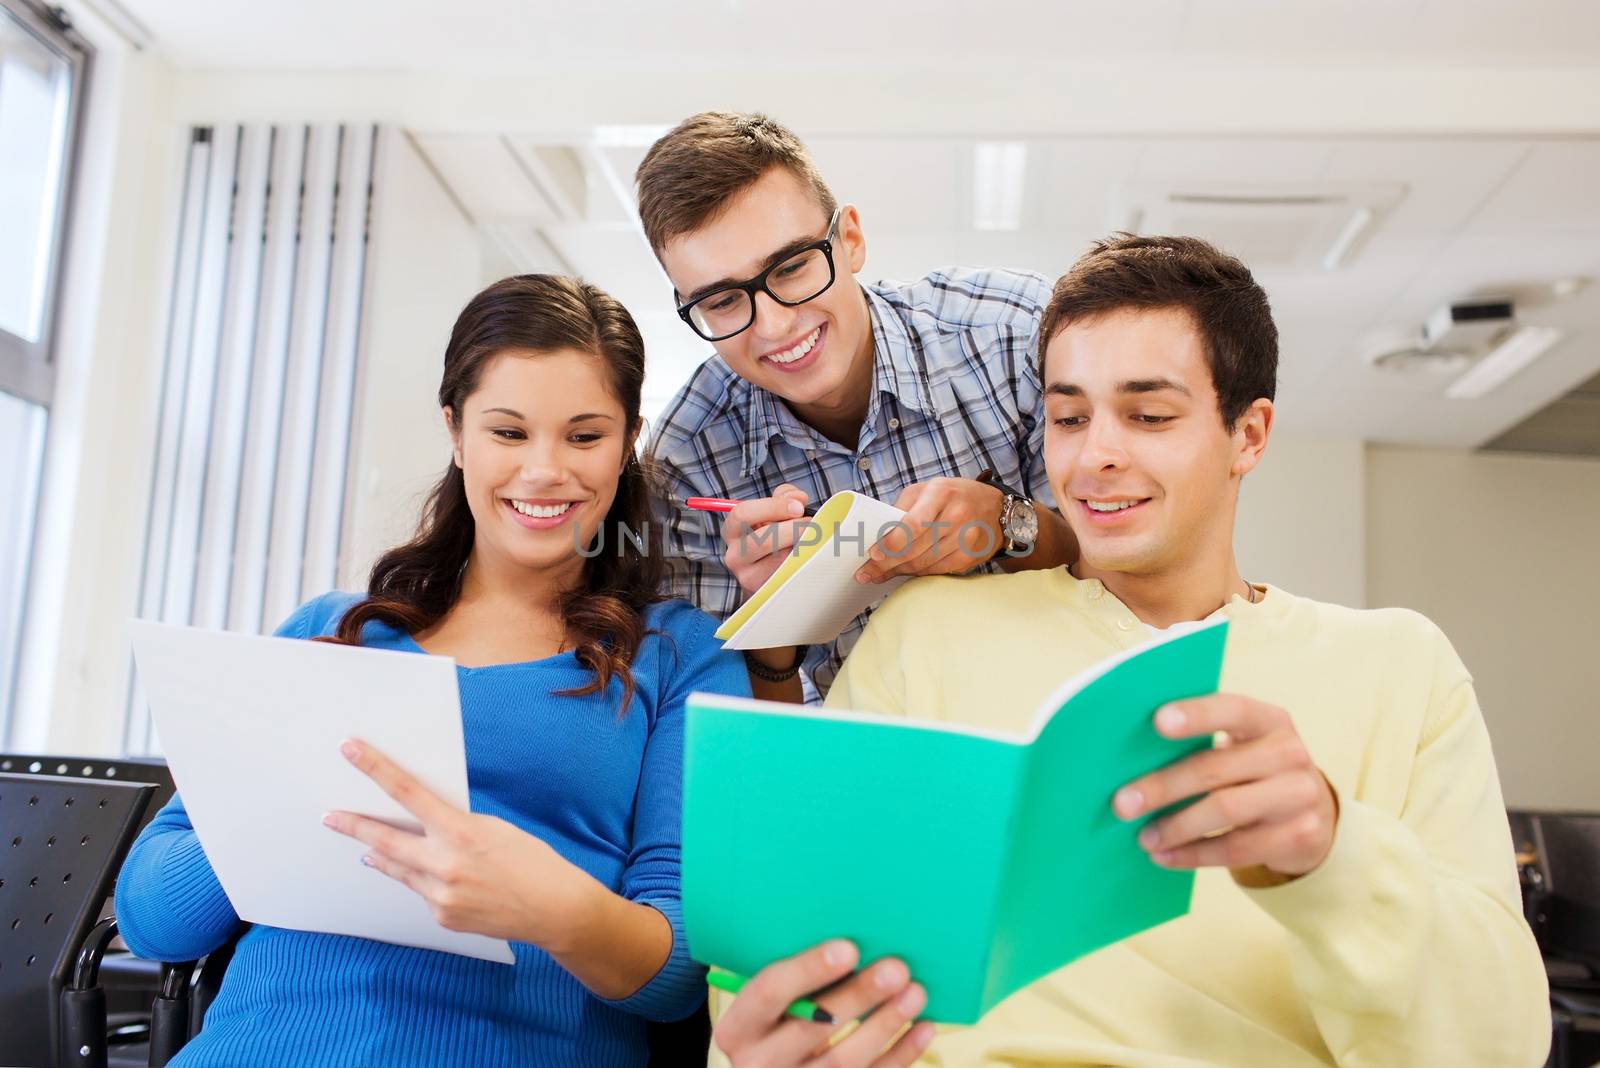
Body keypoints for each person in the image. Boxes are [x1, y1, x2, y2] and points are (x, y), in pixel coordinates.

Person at [707, 235, 1550, 1067]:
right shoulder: (926, 631)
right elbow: (781, 948)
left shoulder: (1401, 667)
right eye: (1068, 417)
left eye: (1148, 416)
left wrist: (1334, 852)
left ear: (1248, 436)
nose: (1094, 455)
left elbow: (1500, 1042)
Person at [115, 274, 751, 1067]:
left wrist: (555, 910)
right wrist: (282, 762)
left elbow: (678, 980)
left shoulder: (682, 657)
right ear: (456, 432)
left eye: (584, 437)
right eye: (509, 433)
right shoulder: (333, 630)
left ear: (628, 445)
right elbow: (153, 920)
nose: (546, 470)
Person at [639, 111, 1078, 702]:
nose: (775, 325)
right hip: (854, 772)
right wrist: (772, 629)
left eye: (792, 267)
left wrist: (1006, 522)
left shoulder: (1013, 332)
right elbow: (746, 746)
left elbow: (1122, 577)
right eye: (721, 301)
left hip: (1050, 729)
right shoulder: (685, 457)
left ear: (850, 239)